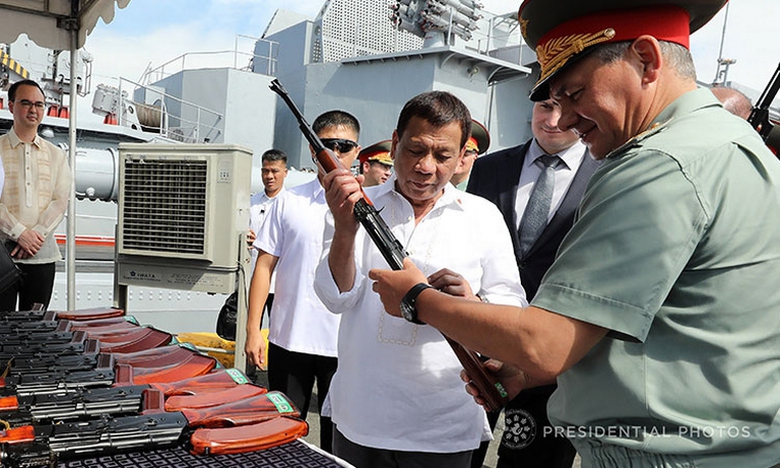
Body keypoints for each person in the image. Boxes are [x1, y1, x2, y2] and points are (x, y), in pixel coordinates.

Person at [369, 1, 780, 467]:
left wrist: (418, 299)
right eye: (555, 102)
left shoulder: (657, 166)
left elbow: (545, 346)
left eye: (576, 93)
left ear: (646, 60)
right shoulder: (738, 147)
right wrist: (523, 370)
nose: (563, 121)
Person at [313, 91, 526, 468]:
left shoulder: (483, 217)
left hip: (444, 423)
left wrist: (473, 305)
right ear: (395, 144)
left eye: (443, 156)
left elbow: (513, 311)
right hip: (360, 415)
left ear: (463, 157)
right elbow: (335, 299)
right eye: (414, 150)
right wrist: (346, 231)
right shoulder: (356, 204)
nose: (425, 167)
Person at [466, 98, 599, 468]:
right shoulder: (490, 168)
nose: (552, 121)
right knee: (462, 452)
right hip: (483, 344)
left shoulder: (607, 175)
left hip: (554, 356)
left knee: (536, 460)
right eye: (544, 107)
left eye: (563, 108)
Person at [246, 110, 361, 454]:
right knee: (282, 434)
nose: (335, 153)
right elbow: (264, 266)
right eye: (326, 145)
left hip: (344, 345)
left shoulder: (372, 205)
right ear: (313, 150)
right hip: (290, 338)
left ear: (357, 150)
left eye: (345, 146)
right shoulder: (288, 202)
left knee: (339, 439)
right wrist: (253, 330)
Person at [0, 79, 72, 312]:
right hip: (2, 254)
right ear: (10, 106)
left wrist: (35, 237)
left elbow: (60, 202)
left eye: (39, 104)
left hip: (42, 257)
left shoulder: (56, 155)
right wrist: (19, 233)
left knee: (35, 327)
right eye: (26, 103)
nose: (34, 109)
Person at [451, 119, 489, 190]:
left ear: (475, 157)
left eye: (465, 154)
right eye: (453, 153)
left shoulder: (483, 189)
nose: (457, 159)